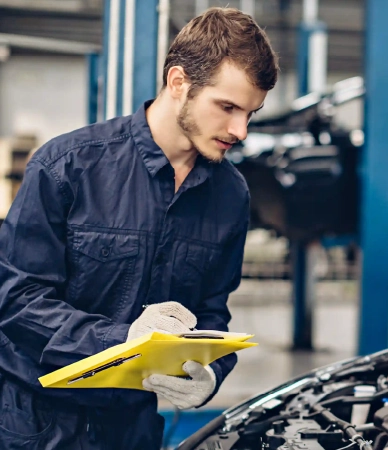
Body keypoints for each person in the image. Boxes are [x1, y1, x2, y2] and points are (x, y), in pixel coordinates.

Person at [0, 7, 278, 449]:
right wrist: (121, 340)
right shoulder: (67, 167)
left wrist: (209, 375)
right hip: (40, 423)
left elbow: (211, 312)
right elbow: (17, 300)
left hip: (132, 427)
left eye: (251, 113)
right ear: (178, 82)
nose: (240, 130)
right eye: (227, 107)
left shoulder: (230, 195)